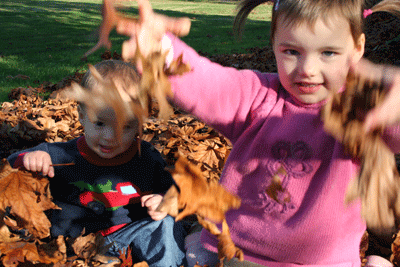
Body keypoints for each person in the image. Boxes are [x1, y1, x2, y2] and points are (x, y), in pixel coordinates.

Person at [117, 0, 400, 266]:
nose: (308, 69)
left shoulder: (363, 109)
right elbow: (209, 85)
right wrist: (162, 50)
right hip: (241, 250)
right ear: (274, 44)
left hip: (324, 261)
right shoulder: (259, 96)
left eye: (328, 53)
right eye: (291, 51)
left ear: (357, 48)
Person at [7, 60, 187, 267]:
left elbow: (176, 191)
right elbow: (10, 169)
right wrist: (29, 159)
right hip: (74, 246)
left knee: (166, 224)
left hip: (128, 237)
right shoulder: (61, 156)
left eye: (125, 127)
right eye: (100, 123)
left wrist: (165, 201)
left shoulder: (146, 158)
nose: (110, 137)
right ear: (82, 116)